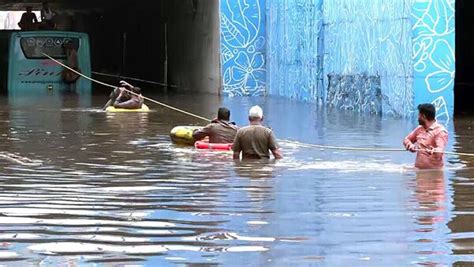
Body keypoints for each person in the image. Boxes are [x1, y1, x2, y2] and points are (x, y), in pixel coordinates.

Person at [403, 103, 448, 169]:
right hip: (418, 171)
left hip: (434, 174)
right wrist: (410, 145)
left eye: (419, 115)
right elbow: (406, 139)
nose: (417, 118)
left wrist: (434, 151)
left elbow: (440, 150)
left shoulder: (440, 131)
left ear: (423, 116)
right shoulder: (419, 129)